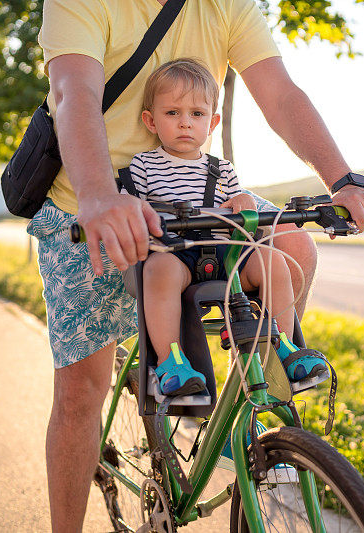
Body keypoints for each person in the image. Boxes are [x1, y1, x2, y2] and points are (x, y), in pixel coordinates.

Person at [30, 0, 364, 529]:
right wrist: (100, 194)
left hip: (204, 196)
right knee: (83, 389)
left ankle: (264, 419)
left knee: (296, 246)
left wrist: (344, 179)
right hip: (94, 196)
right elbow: (73, 92)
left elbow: (281, 95)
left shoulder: (227, 5)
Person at [129, 58, 327, 396]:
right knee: (158, 271)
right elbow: (129, 205)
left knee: (272, 260)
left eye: (196, 114)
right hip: (175, 254)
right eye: (172, 113)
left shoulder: (222, 169)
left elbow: (240, 201)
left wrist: (244, 204)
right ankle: (169, 361)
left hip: (226, 256)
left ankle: (282, 346)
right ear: (150, 120)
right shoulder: (144, 165)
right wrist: (136, 209)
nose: (185, 123)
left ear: (212, 121)